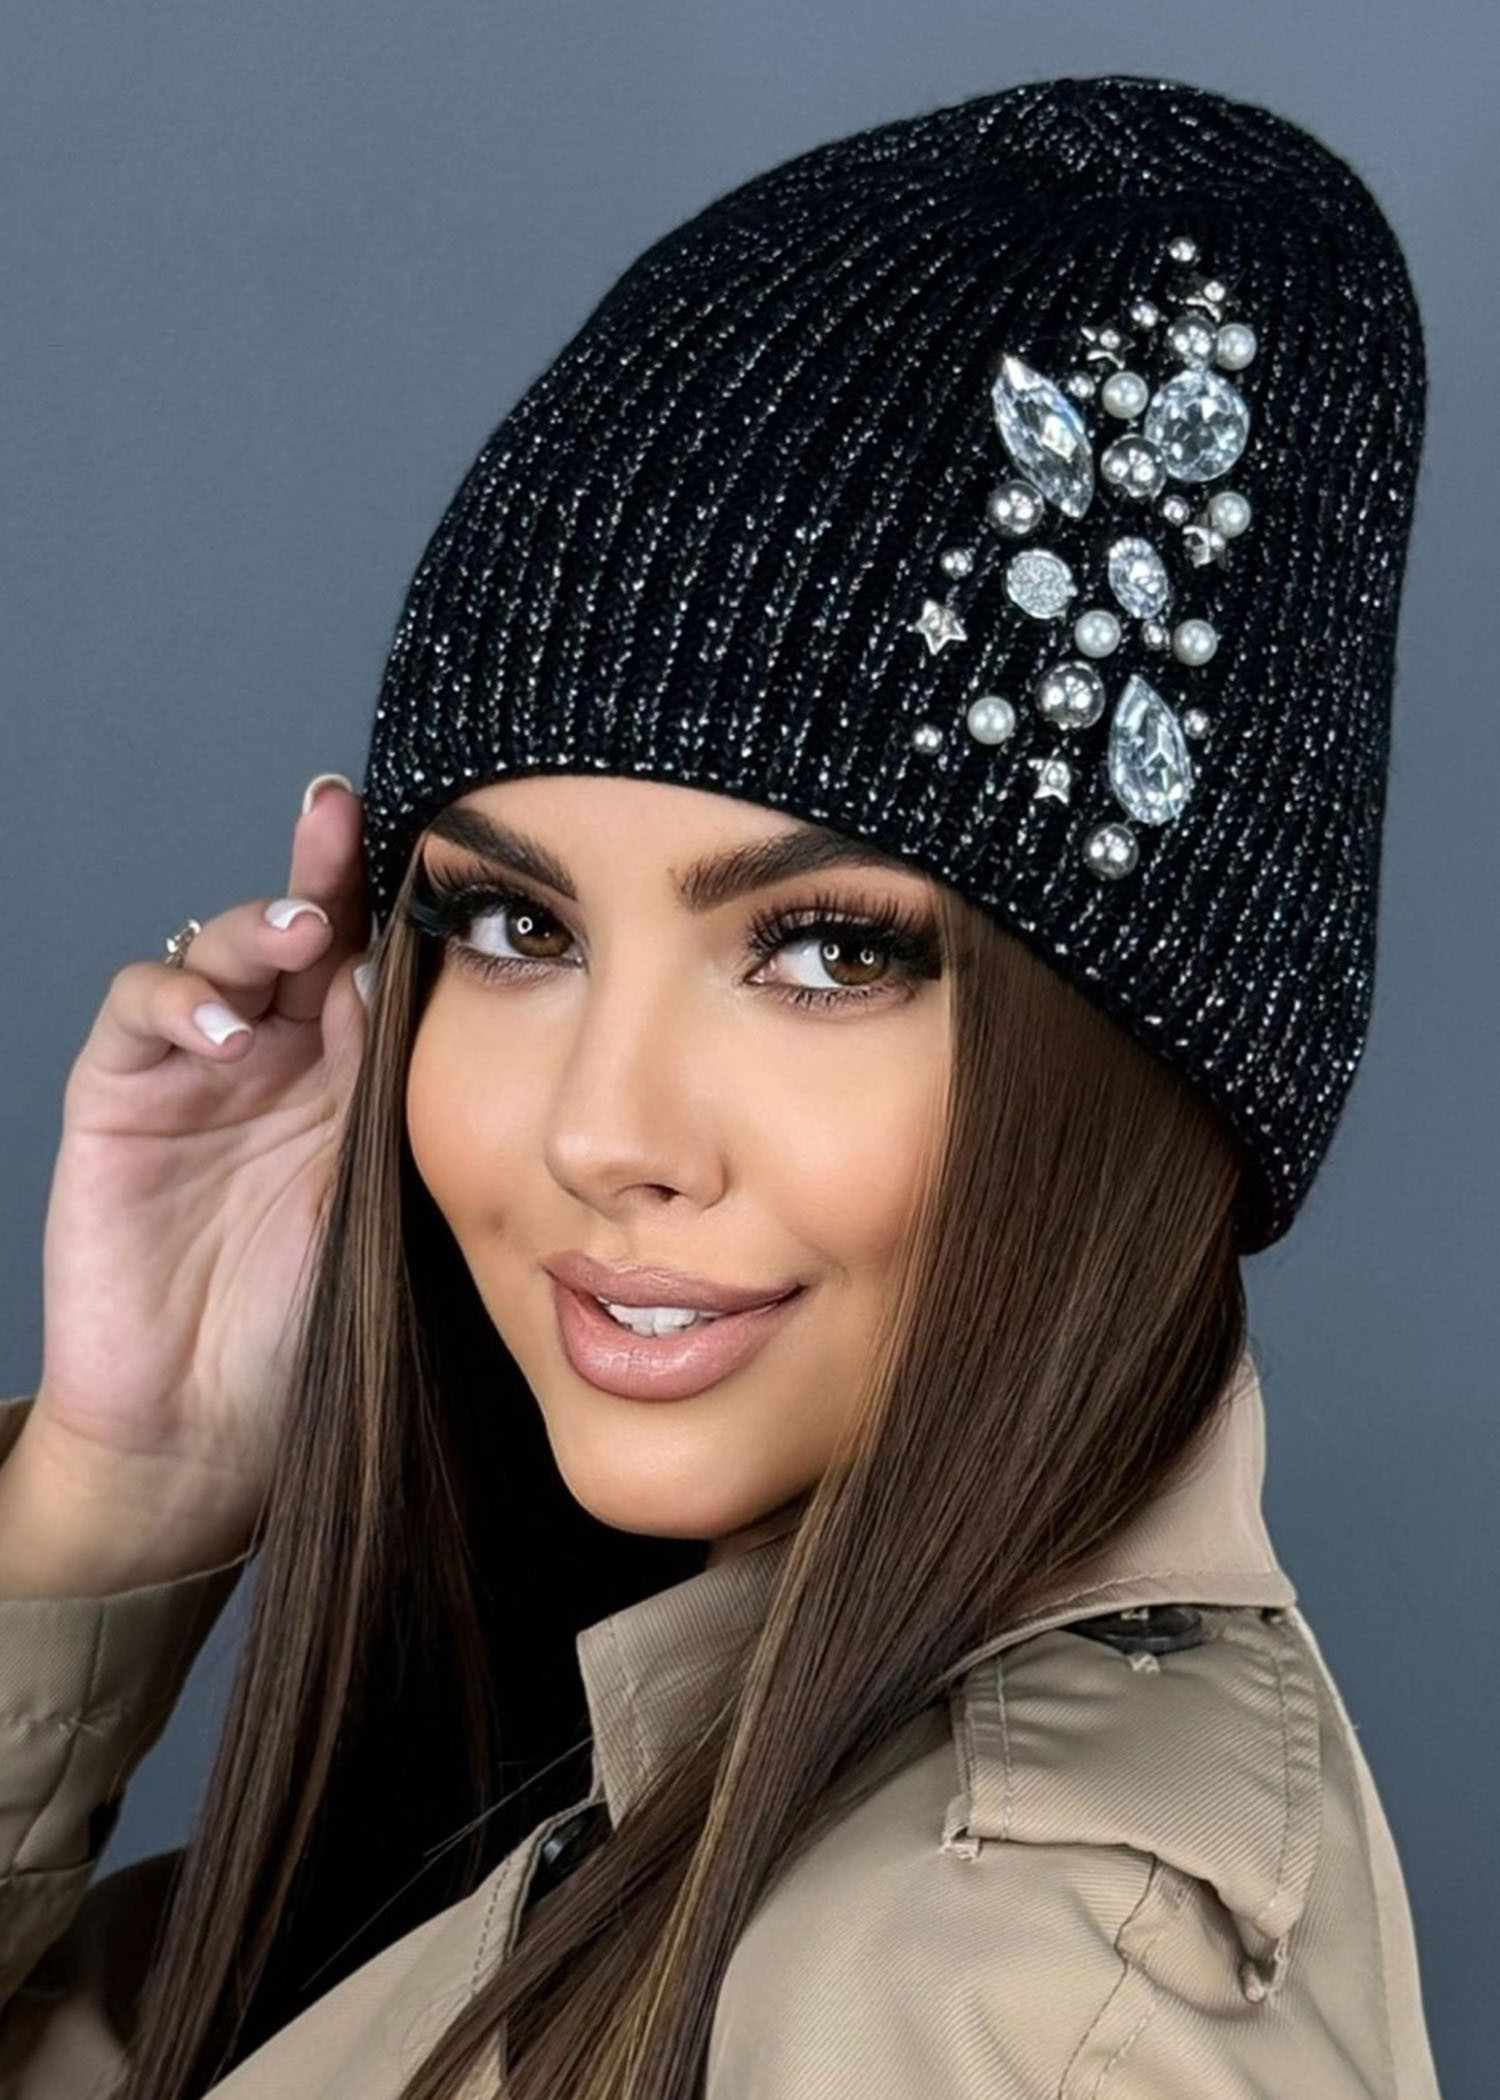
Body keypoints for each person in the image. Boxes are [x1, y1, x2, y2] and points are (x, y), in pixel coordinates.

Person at [0, 70, 1442, 2100]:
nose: (603, 1130)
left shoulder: (994, 2006)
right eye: (517, 927)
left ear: (1140, 1067)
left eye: (829, 952)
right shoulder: (627, 1791)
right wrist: (116, 1488)